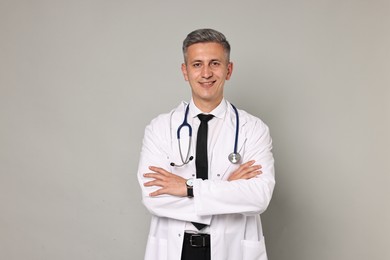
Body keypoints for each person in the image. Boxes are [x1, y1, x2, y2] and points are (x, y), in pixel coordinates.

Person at [137, 28, 275, 260]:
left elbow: (259, 196)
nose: (206, 73)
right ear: (185, 71)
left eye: (215, 63)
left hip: (232, 248)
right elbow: (154, 198)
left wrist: (189, 187)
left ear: (228, 70)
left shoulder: (254, 129)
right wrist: (227, 189)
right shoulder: (160, 128)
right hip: (176, 249)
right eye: (197, 64)